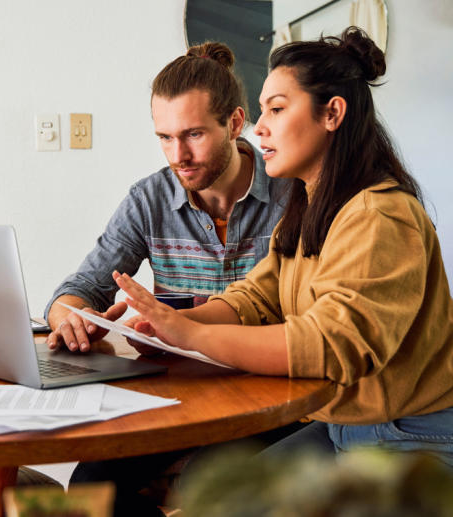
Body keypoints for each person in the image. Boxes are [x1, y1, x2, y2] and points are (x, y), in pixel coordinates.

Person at [117, 27, 453, 467]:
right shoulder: (310, 206)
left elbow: (332, 345)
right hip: (343, 426)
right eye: (262, 111)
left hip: (410, 436)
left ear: (332, 114)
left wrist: (195, 336)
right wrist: (172, 324)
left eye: (277, 109)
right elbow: (257, 296)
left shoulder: (379, 215)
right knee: (209, 488)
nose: (262, 128)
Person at [45, 42, 291, 354]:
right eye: (165, 137)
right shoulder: (148, 201)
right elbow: (81, 288)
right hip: (179, 386)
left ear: (234, 124)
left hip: (271, 381)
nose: (179, 157)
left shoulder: (294, 193)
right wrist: (71, 318)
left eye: (194, 135)